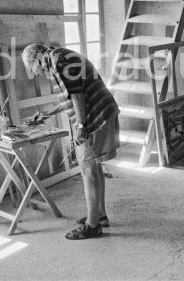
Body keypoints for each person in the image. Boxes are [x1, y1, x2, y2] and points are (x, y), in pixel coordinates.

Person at [21, 43, 120, 240]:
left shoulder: (57, 62)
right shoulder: (59, 56)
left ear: (36, 60)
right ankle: (99, 216)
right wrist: (47, 114)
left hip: (95, 117)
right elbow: (71, 95)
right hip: (103, 112)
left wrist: (81, 126)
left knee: (87, 169)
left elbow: (77, 95)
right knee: (94, 166)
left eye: (34, 70)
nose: (38, 74)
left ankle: (92, 226)